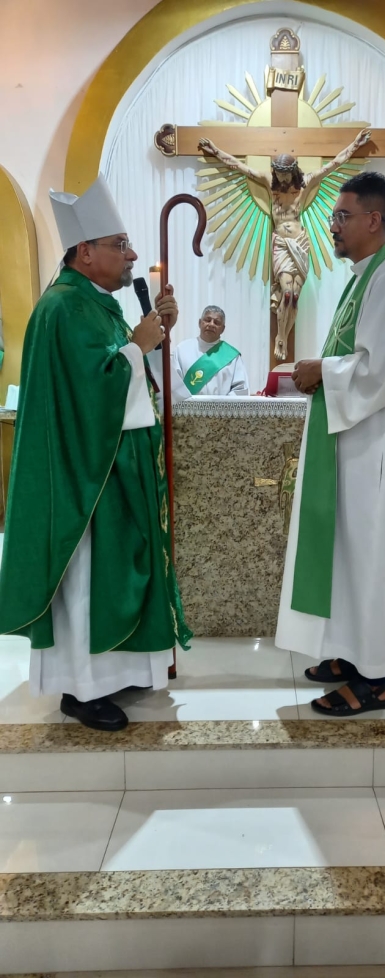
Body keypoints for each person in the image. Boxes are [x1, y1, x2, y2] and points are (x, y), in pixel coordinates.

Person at [0, 174, 191, 731]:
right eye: (120, 245)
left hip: (113, 463)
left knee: (119, 571)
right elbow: (92, 389)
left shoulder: (97, 304)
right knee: (89, 577)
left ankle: (119, 669)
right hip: (86, 472)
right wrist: (138, 346)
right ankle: (82, 689)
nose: (132, 255)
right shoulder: (62, 308)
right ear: (85, 252)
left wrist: (150, 339)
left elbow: (126, 372)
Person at [275, 171, 385, 717]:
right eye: (333, 217)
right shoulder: (363, 276)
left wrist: (325, 370)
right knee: (349, 553)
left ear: (374, 219)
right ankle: (349, 653)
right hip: (354, 445)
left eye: (342, 217)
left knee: (372, 556)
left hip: (378, 454)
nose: (332, 226)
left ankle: (375, 680)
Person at [198, 129, 371, 361]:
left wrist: (355, 145)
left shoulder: (305, 183)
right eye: (279, 174)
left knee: (294, 297)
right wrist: (216, 151)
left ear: (293, 171)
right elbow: (238, 167)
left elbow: (334, 165)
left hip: (299, 243)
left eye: (286, 174)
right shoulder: (269, 184)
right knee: (287, 292)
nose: (283, 179)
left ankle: (285, 332)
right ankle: (281, 336)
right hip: (281, 245)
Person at [149, 304, 249, 400]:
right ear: (200, 323)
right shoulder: (182, 349)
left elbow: (240, 390)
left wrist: (220, 408)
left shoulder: (232, 356)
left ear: (223, 329)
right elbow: (174, 385)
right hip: (187, 413)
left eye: (217, 322)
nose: (211, 324)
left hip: (222, 415)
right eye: (207, 320)